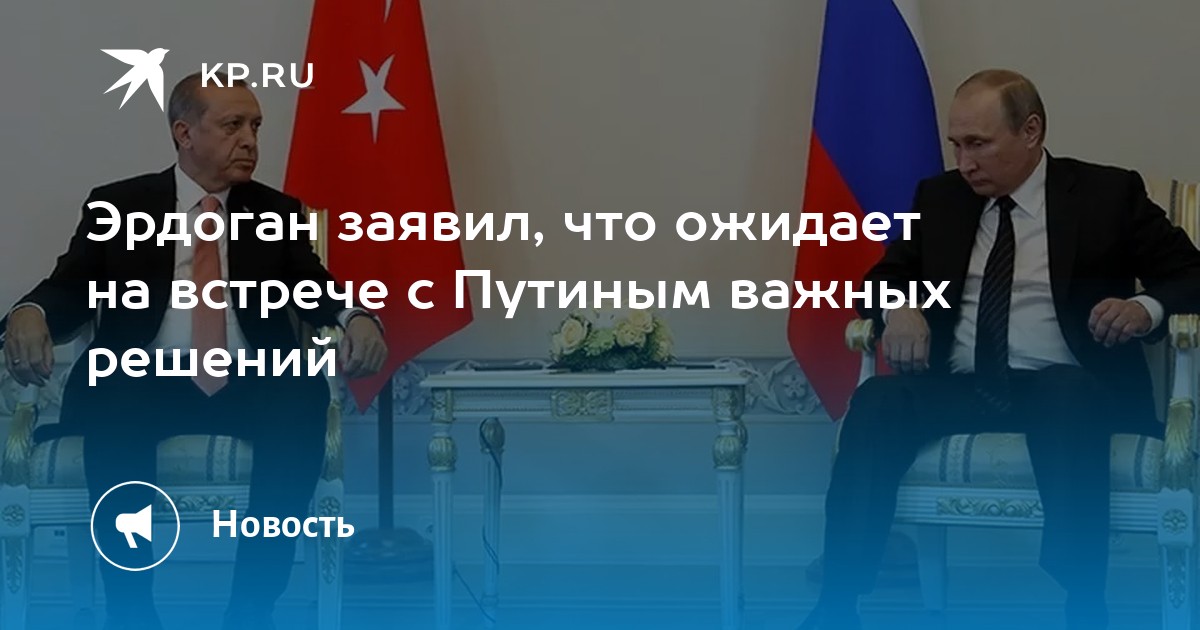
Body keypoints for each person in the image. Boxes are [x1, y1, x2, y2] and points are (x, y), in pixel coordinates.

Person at [799, 69, 1200, 630]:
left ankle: (1083, 600)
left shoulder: (1107, 195)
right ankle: (837, 602)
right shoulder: (940, 198)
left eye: (979, 144)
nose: (964, 163)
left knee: (1064, 393)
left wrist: (1144, 309)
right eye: (956, 145)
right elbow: (881, 280)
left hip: (1067, 386)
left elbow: (1191, 275)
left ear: (1030, 131)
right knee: (875, 403)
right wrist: (900, 307)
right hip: (960, 385)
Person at [2, 72, 389, 630]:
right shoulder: (119, 204)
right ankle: (132, 611)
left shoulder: (276, 210)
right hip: (143, 378)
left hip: (251, 378)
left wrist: (359, 319)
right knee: (115, 397)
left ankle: (251, 610)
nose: (250, 140)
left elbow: (315, 286)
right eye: (233, 125)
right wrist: (30, 312)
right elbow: (70, 286)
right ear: (184, 133)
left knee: (300, 398)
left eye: (255, 126)